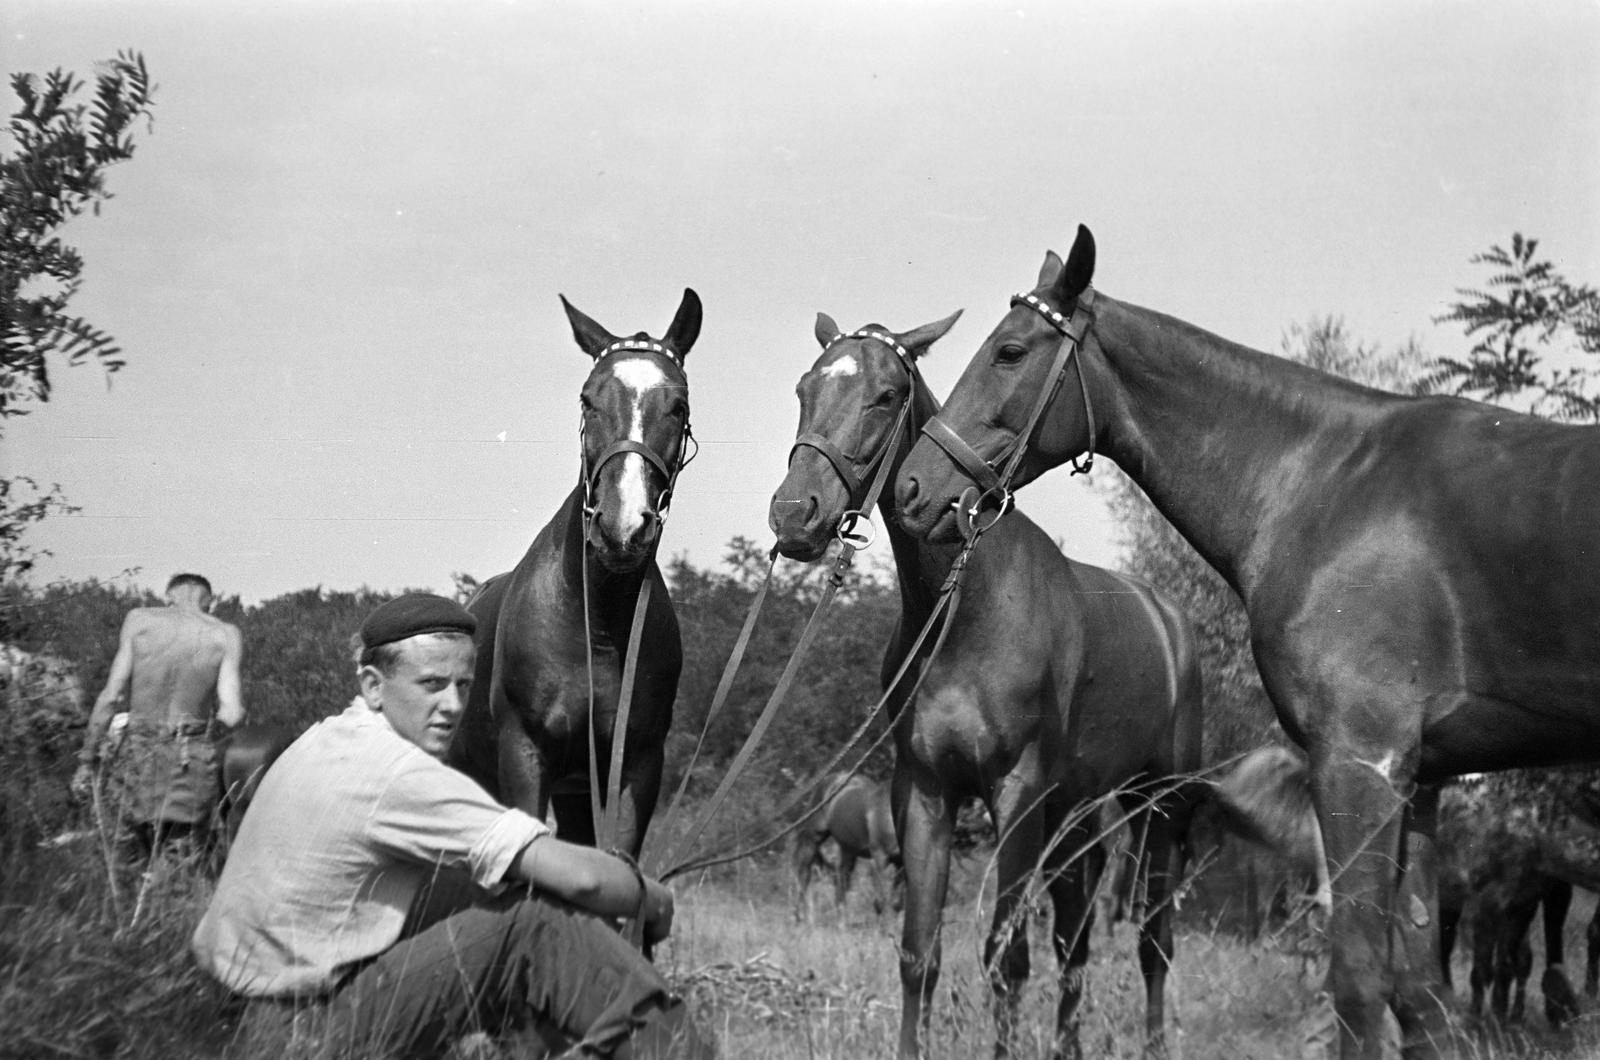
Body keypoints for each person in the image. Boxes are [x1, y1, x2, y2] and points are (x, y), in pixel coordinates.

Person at [191, 593, 709, 1059]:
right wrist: (649, 896)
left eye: (464, 684)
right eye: (432, 686)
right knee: (533, 924)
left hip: (234, 1015)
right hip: (301, 1033)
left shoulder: (326, 738)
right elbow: (585, 880)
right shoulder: (396, 771)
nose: (454, 706)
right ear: (373, 685)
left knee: (486, 885)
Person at [72, 572, 245, 859]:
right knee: (181, 859)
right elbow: (232, 712)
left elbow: (110, 697)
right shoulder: (226, 634)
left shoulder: (139, 620)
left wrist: (87, 760)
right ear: (210, 602)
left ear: (168, 596)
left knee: (123, 857)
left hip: (137, 752)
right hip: (189, 756)